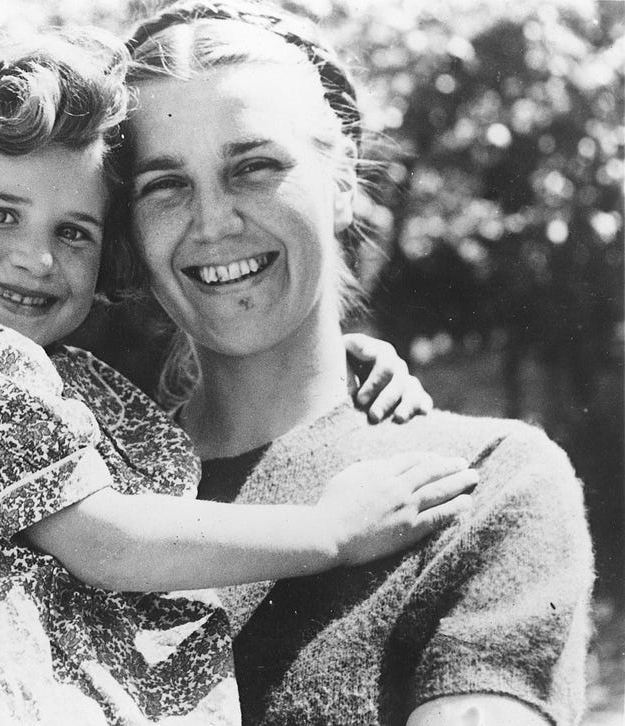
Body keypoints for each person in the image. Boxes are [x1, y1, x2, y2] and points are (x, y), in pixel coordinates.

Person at [0, 29, 473, 726]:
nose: (36, 258)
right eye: (0, 214)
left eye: (74, 232)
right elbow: (110, 542)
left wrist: (348, 361)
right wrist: (330, 531)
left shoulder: (66, 382)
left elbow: (162, 434)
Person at [122, 2, 594, 724]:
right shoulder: (85, 494)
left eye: (254, 167)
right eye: (165, 185)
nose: (212, 222)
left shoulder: (478, 482)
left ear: (341, 181)